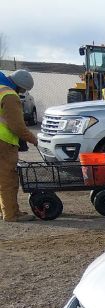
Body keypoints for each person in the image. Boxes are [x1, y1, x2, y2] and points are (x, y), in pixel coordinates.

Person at [0, 69, 37, 222]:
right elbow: (16, 126)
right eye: (23, 90)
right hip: (4, 143)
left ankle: (4, 211)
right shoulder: (9, 95)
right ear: (20, 87)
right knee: (7, 179)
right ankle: (11, 214)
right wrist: (32, 138)